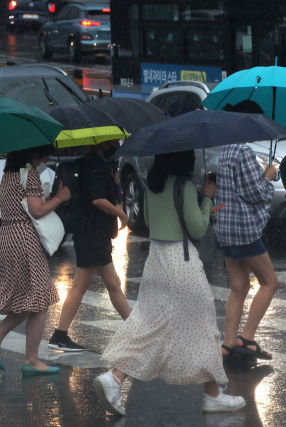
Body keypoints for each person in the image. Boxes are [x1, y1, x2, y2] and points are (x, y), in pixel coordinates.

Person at [95, 150, 245, 416]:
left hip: (156, 261)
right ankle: (212, 397)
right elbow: (198, 228)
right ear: (184, 159)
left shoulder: (152, 186)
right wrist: (207, 199)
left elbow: (150, 222)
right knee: (203, 324)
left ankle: (116, 378)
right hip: (181, 262)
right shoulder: (184, 186)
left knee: (149, 324)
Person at [0, 145, 71, 375]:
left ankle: (0, 341)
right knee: (39, 300)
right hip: (25, 240)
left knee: (27, 297)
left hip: (8, 238)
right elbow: (36, 210)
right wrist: (60, 197)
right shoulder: (29, 173)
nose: (46, 159)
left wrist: (48, 197)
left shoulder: (8, 174)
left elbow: (26, 205)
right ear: (35, 153)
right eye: (45, 154)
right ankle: (26, 357)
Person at [48, 140, 131, 352]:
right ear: (101, 143)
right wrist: (121, 213)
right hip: (94, 233)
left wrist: (113, 182)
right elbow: (97, 200)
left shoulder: (85, 164)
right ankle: (136, 330)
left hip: (88, 232)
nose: (115, 144)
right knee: (101, 285)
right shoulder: (97, 166)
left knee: (104, 284)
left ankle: (60, 334)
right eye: (112, 141)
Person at [218, 100, 279, 361]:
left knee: (239, 286)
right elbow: (254, 193)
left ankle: (228, 343)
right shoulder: (242, 151)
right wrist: (269, 176)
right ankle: (248, 336)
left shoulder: (225, 151)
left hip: (225, 228)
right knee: (270, 282)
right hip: (243, 229)